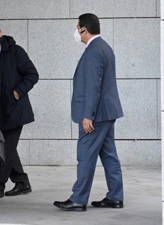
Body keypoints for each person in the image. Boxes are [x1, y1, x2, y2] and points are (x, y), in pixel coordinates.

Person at [53, 13, 124, 211]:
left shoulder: (93, 50)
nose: (76, 31)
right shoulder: (105, 47)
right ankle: (115, 196)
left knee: (85, 155)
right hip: (107, 113)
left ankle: (78, 199)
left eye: (77, 28)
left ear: (84, 29)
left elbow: (93, 86)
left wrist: (88, 116)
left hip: (96, 115)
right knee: (109, 155)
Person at [0, 23, 39, 200]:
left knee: (5, 147)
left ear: (1, 33)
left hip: (14, 107)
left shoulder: (15, 51)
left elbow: (32, 74)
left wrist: (18, 91)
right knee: (8, 147)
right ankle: (22, 181)